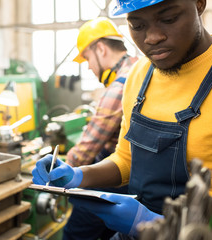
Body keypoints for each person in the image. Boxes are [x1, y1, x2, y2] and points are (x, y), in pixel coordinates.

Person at [33, 0, 212, 239]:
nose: (152, 37)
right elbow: (126, 159)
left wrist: (162, 225)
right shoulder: (140, 75)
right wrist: (79, 175)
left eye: (169, 19)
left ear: (200, 4)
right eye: (137, 25)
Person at [63, 17, 137, 240]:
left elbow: (88, 147)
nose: (89, 67)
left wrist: (61, 170)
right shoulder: (139, 68)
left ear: (101, 49)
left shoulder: (122, 83)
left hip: (120, 175)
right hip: (137, 174)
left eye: (87, 58)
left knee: (75, 232)